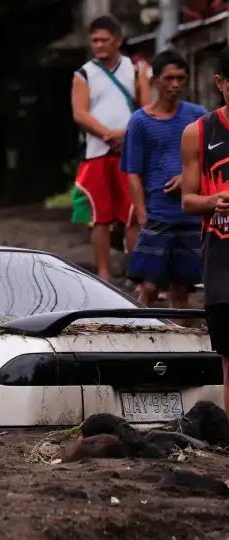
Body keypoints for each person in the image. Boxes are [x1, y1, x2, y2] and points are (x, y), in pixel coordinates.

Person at [123, 50, 206, 309]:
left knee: (182, 288)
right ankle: (139, 338)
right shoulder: (140, 121)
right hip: (157, 213)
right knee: (148, 286)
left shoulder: (197, 116)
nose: (175, 85)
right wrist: (142, 214)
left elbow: (212, 160)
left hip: (189, 213)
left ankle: (183, 344)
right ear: (156, 80)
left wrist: (188, 177)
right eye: (169, 78)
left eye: (180, 78)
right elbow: (132, 171)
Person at [72, 16, 150, 281]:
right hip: (96, 151)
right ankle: (104, 274)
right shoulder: (83, 74)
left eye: (104, 39)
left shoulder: (137, 69)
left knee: (132, 214)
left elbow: (146, 108)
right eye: (94, 40)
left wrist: (125, 134)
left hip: (130, 151)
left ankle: (133, 272)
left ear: (118, 40)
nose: (99, 45)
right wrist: (108, 134)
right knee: (99, 216)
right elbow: (80, 114)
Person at [181, 46, 229, 420]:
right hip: (222, 262)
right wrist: (214, 201)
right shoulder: (198, 132)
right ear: (220, 83)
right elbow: (188, 200)